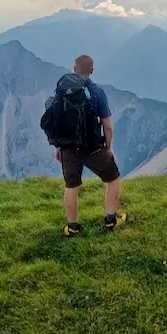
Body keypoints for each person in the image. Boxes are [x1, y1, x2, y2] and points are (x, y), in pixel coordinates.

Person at [41, 54, 127, 236]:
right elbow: (108, 126)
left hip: (68, 148)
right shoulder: (97, 93)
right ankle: (111, 220)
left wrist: (58, 147)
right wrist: (108, 148)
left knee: (71, 186)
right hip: (92, 147)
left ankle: (72, 227)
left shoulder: (63, 91)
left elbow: (58, 121)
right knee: (113, 178)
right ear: (92, 71)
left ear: (74, 69)